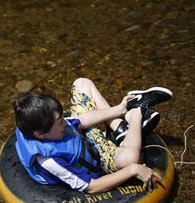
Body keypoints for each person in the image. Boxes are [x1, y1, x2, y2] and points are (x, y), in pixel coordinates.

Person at [13, 78, 173, 193]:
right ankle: (137, 114)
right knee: (130, 158)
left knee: (83, 83)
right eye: (59, 121)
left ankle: (121, 123)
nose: (63, 122)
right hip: (96, 158)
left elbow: (78, 121)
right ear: (40, 134)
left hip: (83, 138)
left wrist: (119, 108)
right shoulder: (49, 161)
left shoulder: (45, 126)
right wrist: (133, 170)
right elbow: (92, 187)